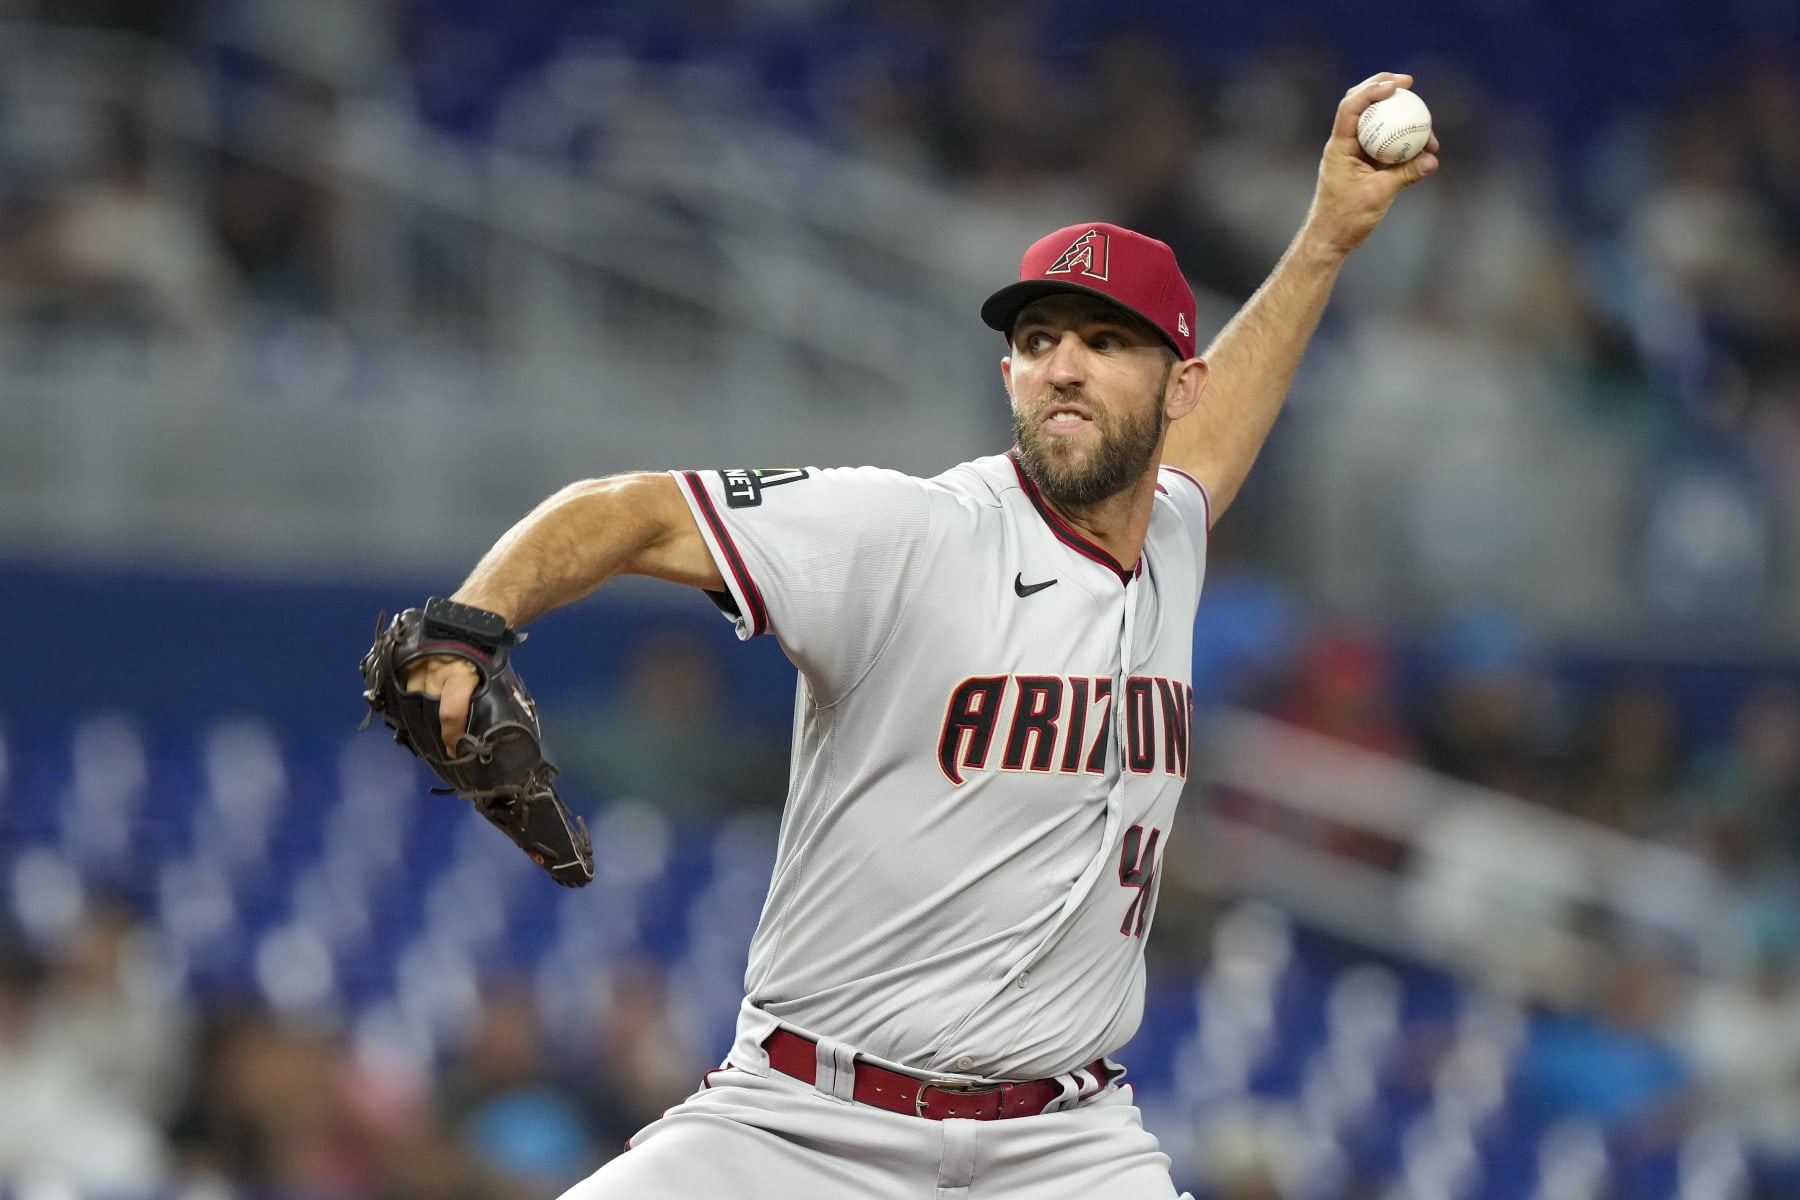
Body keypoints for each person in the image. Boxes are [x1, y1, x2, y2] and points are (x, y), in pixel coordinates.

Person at [397, 72, 1436, 1200]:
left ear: (1174, 385)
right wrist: (467, 624)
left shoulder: (1174, 528)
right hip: (804, 1125)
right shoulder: (908, 531)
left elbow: (1219, 435)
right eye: (1039, 340)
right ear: (1008, 374)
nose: (1065, 365)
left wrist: (1326, 239)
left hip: (1063, 1144)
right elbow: (630, 509)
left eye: (1105, 339)